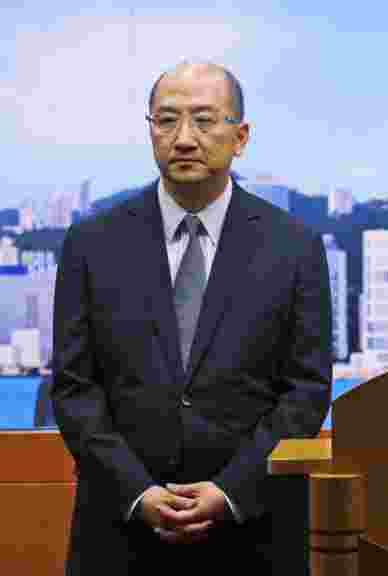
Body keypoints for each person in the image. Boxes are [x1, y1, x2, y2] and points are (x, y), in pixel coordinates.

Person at [51, 62, 331, 574]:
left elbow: (306, 389)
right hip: (119, 532)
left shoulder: (295, 246)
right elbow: (74, 387)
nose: (183, 138)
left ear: (240, 136)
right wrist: (137, 491)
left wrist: (231, 490)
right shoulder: (91, 242)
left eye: (204, 120)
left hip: (254, 532)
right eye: (167, 120)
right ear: (149, 130)